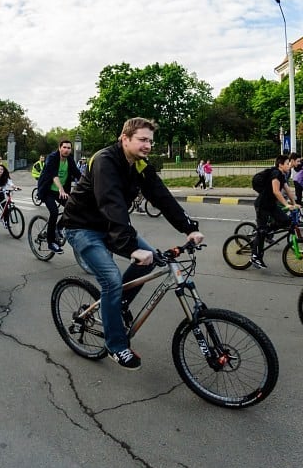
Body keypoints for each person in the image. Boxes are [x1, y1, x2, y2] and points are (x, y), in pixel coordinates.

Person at [61, 118, 203, 371]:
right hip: (82, 227)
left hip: (109, 226)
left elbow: (162, 197)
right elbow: (111, 203)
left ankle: (118, 305)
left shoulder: (138, 165)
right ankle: (116, 346)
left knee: (150, 258)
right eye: (143, 140)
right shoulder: (105, 161)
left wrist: (189, 228)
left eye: (150, 141)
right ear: (124, 138)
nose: (148, 145)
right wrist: (129, 248)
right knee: (112, 280)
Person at [250, 154, 298, 269]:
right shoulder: (275, 173)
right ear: (280, 165)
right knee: (261, 231)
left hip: (271, 205)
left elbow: (288, 190)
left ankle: (267, 231)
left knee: (286, 221)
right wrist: (287, 205)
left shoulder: (282, 175)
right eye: (287, 163)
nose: (289, 165)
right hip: (262, 206)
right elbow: (276, 191)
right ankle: (255, 256)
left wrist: (294, 203)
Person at [37, 139, 81, 253]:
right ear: (60, 148)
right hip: (48, 191)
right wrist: (61, 189)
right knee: (54, 212)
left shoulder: (70, 160)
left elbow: (78, 174)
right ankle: (51, 242)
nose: (66, 150)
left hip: (61, 192)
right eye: (64, 147)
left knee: (74, 207)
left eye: (68, 148)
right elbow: (54, 175)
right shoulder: (52, 158)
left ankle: (58, 227)